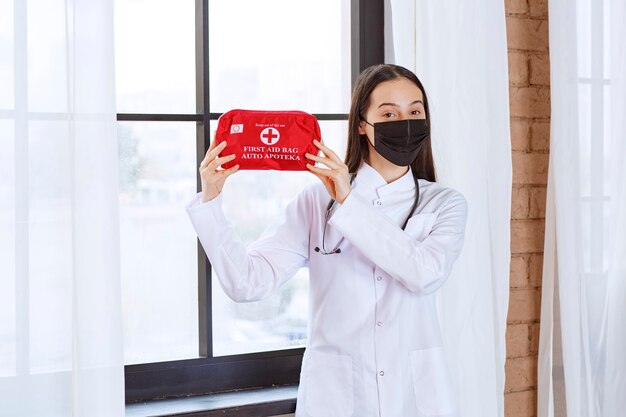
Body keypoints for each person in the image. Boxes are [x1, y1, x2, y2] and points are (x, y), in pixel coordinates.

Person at [186, 64, 468, 417]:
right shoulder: (315, 202)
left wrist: (350, 203)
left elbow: (425, 273)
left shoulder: (444, 203)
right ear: (363, 126)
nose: (404, 122)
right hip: (336, 396)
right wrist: (211, 200)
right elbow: (247, 283)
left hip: (413, 397)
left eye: (414, 111)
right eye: (389, 113)